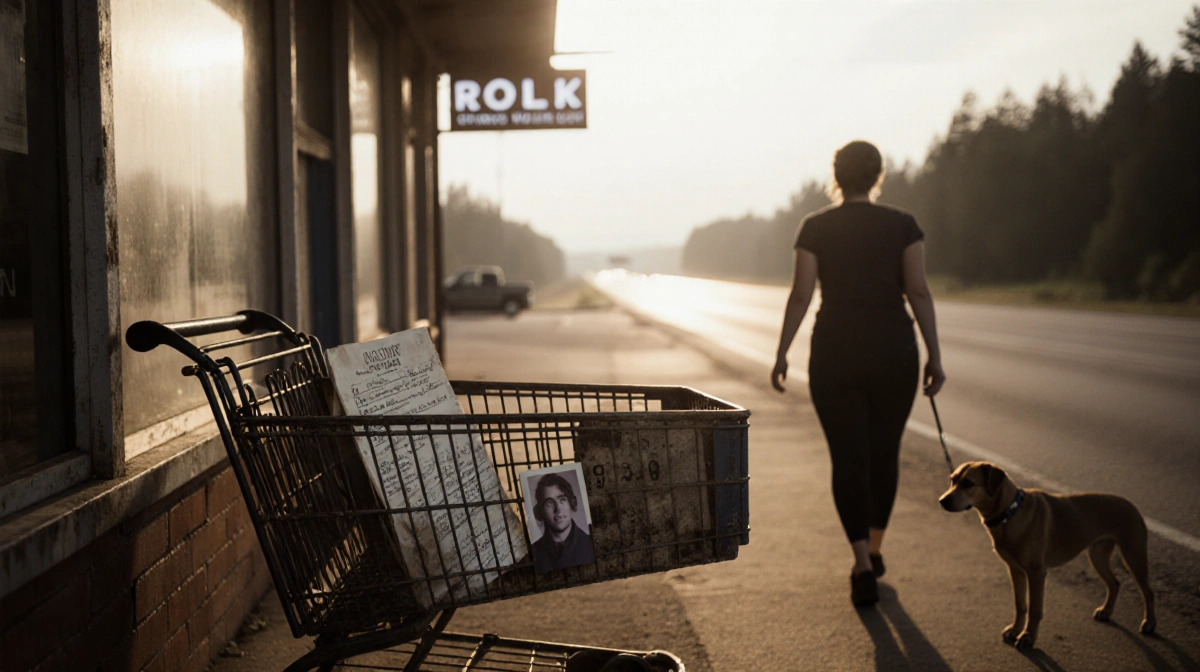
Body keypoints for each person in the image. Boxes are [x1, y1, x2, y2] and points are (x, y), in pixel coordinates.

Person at [771, 140, 946, 608]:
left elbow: (800, 295)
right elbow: (918, 291)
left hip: (835, 354)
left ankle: (862, 564)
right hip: (894, 351)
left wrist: (782, 353)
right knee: (884, 454)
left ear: (836, 175)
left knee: (848, 460)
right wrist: (935, 355)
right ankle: (875, 547)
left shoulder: (815, 227)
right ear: (877, 176)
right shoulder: (903, 225)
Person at [530, 472, 596, 573]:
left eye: (562, 500)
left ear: (571, 503)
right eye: (549, 503)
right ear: (540, 511)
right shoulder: (534, 551)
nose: (558, 509)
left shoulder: (590, 543)